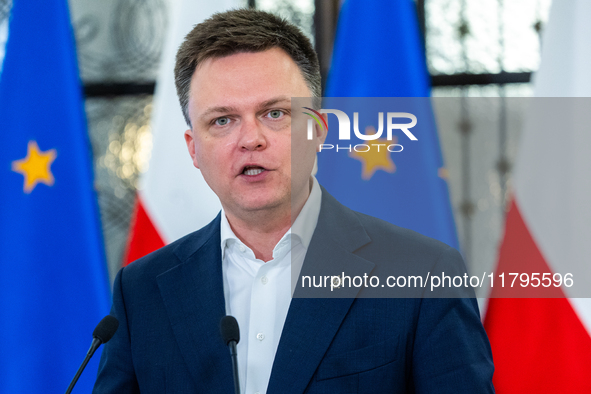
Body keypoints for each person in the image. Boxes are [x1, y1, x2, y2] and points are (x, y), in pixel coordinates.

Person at [93, 9, 494, 394]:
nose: (251, 139)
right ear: (193, 149)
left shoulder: (424, 274)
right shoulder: (142, 290)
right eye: (222, 120)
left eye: (274, 114)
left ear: (318, 131)